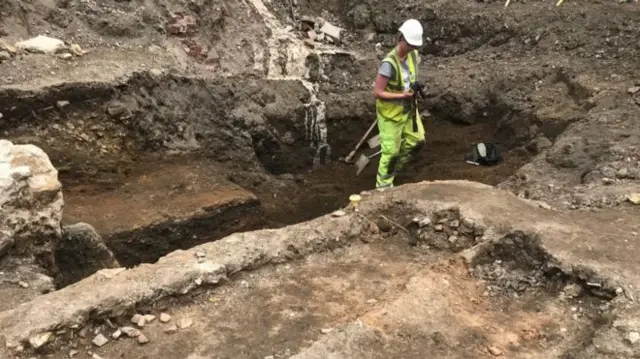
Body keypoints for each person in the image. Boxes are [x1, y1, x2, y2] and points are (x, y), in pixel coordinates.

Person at [372, 19, 426, 189]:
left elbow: (410, 77)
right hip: (391, 114)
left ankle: (392, 171)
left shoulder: (413, 56)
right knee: (391, 153)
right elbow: (378, 92)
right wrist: (402, 95)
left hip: (409, 109)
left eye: (415, 46)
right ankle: (383, 189)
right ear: (401, 38)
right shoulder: (388, 64)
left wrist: (414, 88)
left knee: (417, 141)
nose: (412, 49)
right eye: (410, 45)